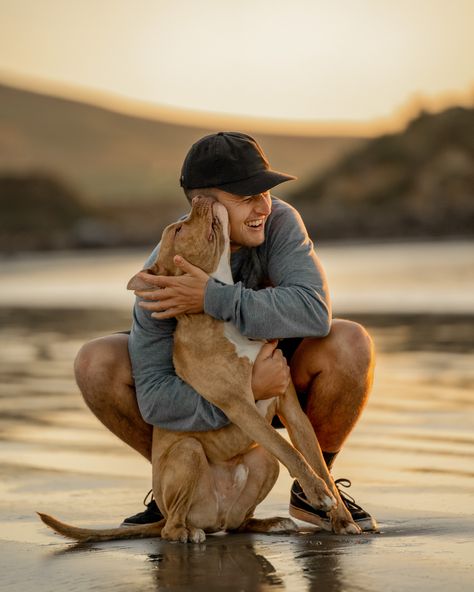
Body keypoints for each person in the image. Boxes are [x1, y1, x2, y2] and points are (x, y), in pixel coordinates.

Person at [75, 131, 377, 532]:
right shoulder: (163, 271)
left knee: (350, 342)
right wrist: (247, 391)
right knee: (97, 362)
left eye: (265, 191)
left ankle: (316, 492)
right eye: (246, 196)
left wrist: (213, 299)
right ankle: (179, 487)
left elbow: (314, 312)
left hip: (279, 364)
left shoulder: (279, 221)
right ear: (205, 205)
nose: (262, 206)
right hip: (211, 384)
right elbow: (155, 399)